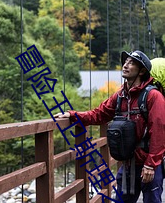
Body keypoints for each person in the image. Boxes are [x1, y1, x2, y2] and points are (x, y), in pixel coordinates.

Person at [54, 50, 165, 203]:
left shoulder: (153, 96)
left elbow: (159, 131)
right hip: (128, 163)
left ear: (142, 71)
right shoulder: (120, 96)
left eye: (131, 63)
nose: (125, 65)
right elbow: (99, 114)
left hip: (148, 163)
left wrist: (151, 165)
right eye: (125, 62)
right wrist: (73, 115)